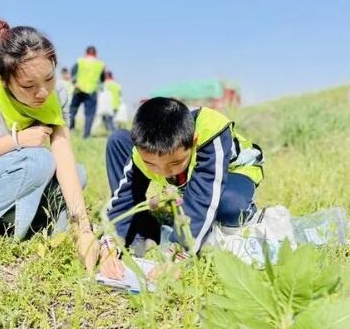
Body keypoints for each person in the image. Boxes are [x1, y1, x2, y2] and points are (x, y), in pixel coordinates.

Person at [0, 18, 99, 271]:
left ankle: (28, 231)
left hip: (16, 180)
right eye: (28, 85)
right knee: (38, 159)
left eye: (49, 78)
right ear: (4, 81)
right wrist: (16, 141)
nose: (42, 93)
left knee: (77, 173)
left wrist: (84, 228)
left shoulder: (56, 95)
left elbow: (64, 157)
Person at [99, 97, 264, 279]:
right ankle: (142, 226)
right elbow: (124, 198)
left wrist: (179, 255)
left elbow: (205, 195)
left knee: (230, 205)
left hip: (233, 173)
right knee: (118, 139)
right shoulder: (141, 154)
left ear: (194, 141)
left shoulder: (211, 129)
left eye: (175, 163)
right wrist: (110, 244)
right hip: (188, 182)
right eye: (151, 165)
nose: (164, 173)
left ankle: (237, 216)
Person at [69, 46, 105, 138]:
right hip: (91, 91)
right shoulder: (100, 64)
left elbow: (73, 72)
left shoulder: (80, 61)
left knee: (72, 110)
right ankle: (86, 135)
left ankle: (69, 128)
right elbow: (102, 79)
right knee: (89, 114)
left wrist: (74, 82)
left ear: (86, 53)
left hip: (78, 89)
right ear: (96, 54)